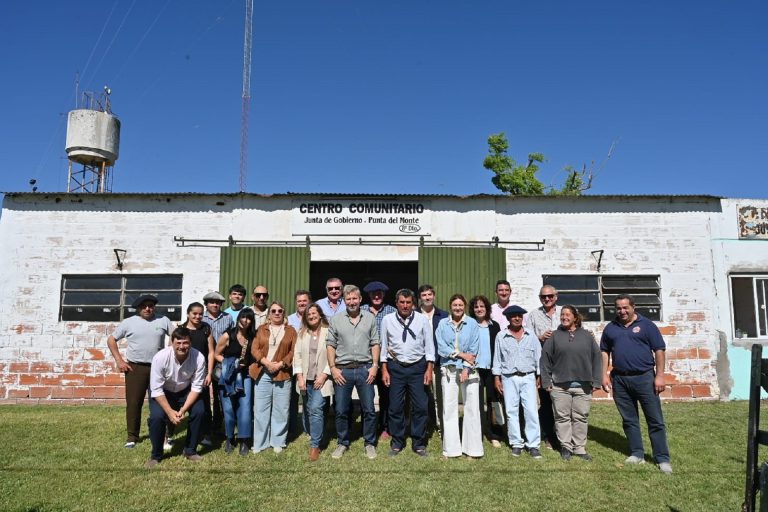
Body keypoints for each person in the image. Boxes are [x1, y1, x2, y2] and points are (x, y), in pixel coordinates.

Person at [600, 294, 672, 474]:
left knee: (655, 420)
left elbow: (659, 350)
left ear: (633, 307)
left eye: (625, 308)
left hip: (644, 378)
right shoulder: (611, 328)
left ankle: (662, 458)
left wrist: (660, 376)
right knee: (629, 419)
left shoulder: (647, 326)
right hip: (620, 379)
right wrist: (604, 375)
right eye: (618, 308)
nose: (622, 311)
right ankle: (637, 453)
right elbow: (604, 352)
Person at [106, 294, 174, 448]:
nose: (148, 309)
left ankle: (165, 435)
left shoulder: (163, 320)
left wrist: (169, 352)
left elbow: (175, 336)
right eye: (144, 306)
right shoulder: (129, 322)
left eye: (151, 306)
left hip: (158, 367)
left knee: (160, 402)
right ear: (138, 308)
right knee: (134, 403)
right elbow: (111, 340)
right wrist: (119, 360)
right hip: (135, 367)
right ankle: (132, 437)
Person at [540, 305, 602, 462]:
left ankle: (579, 448)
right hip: (560, 386)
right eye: (562, 315)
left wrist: (596, 380)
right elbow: (545, 360)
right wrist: (546, 380)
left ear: (575, 317)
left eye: (568, 315)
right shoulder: (554, 336)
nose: (564, 317)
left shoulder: (587, 336)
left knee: (581, 416)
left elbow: (597, 358)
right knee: (562, 417)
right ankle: (566, 447)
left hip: (583, 385)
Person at [326, 284, 380, 459]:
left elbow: (375, 343)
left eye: (354, 298)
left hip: (365, 369)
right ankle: (342, 442)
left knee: (369, 409)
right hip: (343, 371)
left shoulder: (370, 318)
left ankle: (370, 443)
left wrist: (375, 366)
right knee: (341, 409)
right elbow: (330, 345)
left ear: (360, 299)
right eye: (348, 299)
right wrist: (333, 368)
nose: (351, 302)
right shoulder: (336, 320)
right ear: (344, 300)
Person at [380, 288, 434, 457]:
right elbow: (383, 346)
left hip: (418, 367)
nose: (405, 305)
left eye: (408, 302)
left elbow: (429, 346)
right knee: (395, 407)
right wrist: (384, 370)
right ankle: (397, 441)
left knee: (420, 406)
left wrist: (429, 368)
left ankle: (418, 442)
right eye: (401, 302)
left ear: (413, 303)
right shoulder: (387, 320)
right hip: (395, 367)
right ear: (396, 303)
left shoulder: (422, 320)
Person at [145, 327, 206, 468]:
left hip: (186, 391)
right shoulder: (160, 357)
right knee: (156, 417)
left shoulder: (199, 358)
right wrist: (170, 412)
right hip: (163, 392)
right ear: (172, 342)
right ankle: (156, 455)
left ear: (190, 343)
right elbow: (156, 389)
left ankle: (190, 450)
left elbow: (197, 387)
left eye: (185, 343)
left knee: (199, 411)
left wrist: (183, 409)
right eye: (178, 343)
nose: (182, 346)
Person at [435, 294, 483, 459]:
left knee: (472, 408)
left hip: (469, 370)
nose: (457, 308)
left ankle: (473, 449)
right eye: (455, 305)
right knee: (449, 409)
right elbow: (441, 348)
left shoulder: (472, 324)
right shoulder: (442, 324)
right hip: (448, 370)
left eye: (460, 305)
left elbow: (474, 349)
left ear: (464, 307)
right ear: (450, 306)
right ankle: (451, 449)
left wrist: (465, 368)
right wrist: (462, 355)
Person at [492, 305, 542, 459]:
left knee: (531, 411)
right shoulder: (501, 336)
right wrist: (496, 378)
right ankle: (516, 443)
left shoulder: (531, 335)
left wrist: (539, 376)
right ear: (508, 318)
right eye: (513, 316)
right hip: (509, 377)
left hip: (528, 376)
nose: (517, 318)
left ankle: (533, 445)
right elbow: (497, 359)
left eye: (519, 315)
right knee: (511, 411)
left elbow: (538, 357)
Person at [250, 302, 297, 453]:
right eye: (274, 311)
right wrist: (266, 362)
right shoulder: (261, 329)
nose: (277, 313)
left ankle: (278, 441)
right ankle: (260, 443)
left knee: (281, 409)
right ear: (269, 314)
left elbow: (293, 351)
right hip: (262, 372)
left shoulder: (291, 331)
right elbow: (254, 348)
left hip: (283, 373)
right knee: (260, 409)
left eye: (280, 311)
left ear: (284, 313)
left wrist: (281, 364)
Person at [215, 308, 256, 456]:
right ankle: (229, 438)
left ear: (251, 322)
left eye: (248, 318)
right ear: (238, 318)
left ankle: (244, 440)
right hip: (228, 376)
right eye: (243, 317)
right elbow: (216, 354)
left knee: (245, 408)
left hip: (245, 377)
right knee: (228, 408)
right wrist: (231, 363)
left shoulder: (252, 337)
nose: (245, 320)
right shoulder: (227, 335)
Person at [294, 303, 333, 461]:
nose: (311, 316)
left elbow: (334, 354)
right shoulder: (302, 332)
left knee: (316, 408)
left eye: (314, 313)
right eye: (308, 314)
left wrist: (324, 374)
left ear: (320, 314)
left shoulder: (328, 332)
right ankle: (316, 434)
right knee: (310, 409)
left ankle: (314, 445)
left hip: (322, 379)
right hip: (305, 379)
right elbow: (297, 355)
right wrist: (300, 377)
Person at [526, 285, 562, 450]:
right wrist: (540, 337)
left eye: (549, 296)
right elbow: (528, 339)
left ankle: (564, 435)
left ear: (556, 296)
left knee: (563, 401)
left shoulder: (565, 312)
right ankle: (549, 435)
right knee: (546, 402)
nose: (546, 299)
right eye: (543, 297)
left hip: (563, 365)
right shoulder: (534, 315)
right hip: (544, 366)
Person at [361, 280, 397, 440]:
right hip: (365, 360)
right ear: (369, 295)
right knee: (365, 396)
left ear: (383, 295)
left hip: (385, 362)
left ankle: (385, 427)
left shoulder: (391, 311)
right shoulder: (361, 310)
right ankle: (366, 427)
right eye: (373, 293)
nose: (376, 296)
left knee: (386, 395)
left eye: (379, 293)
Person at [468, 295, 505, 448]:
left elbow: (499, 349)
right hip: (474, 369)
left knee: (493, 401)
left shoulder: (494, 326)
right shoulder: (469, 325)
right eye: (476, 307)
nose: (479, 309)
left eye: (482, 306)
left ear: (487, 308)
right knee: (474, 402)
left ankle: (494, 433)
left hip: (491, 370)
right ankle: (477, 433)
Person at [178, 302, 215, 447]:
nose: (198, 316)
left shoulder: (206, 329)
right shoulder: (180, 330)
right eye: (194, 313)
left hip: (201, 373)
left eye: (200, 314)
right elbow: (172, 350)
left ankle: (205, 434)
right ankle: (169, 432)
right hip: (183, 374)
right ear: (188, 314)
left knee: (204, 405)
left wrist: (209, 373)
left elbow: (211, 352)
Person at [418, 284, 449, 434]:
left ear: (434, 296)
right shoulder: (414, 315)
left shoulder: (443, 315)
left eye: (429, 295)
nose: (427, 298)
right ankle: (421, 424)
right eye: (424, 295)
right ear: (420, 298)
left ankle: (440, 424)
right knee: (419, 396)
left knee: (438, 395)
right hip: (418, 363)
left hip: (437, 362)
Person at [202, 291, 234, 436]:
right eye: (211, 302)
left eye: (218, 302)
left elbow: (232, 338)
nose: (215, 305)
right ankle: (204, 424)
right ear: (206, 304)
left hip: (221, 359)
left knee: (220, 392)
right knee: (202, 392)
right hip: (203, 359)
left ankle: (218, 425)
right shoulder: (200, 318)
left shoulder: (227, 318)